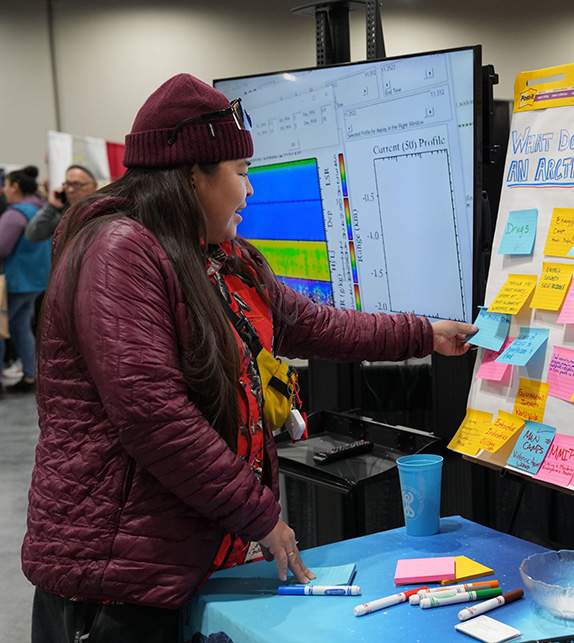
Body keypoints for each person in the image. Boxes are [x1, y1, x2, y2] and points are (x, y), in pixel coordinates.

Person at [22, 73, 477, 643]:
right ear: (192, 176)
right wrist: (259, 514)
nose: (250, 191)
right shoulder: (120, 251)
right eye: (241, 173)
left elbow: (315, 323)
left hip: (179, 560)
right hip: (116, 578)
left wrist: (424, 334)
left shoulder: (220, 257)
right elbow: (154, 417)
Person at [0, 166, 50, 396]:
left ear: (15, 187)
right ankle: (31, 375)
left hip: (15, 280)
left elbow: (1, 247)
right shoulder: (42, 208)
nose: (4, 190)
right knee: (20, 326)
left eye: (7, 185)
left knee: (2, 329)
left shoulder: (15, 214)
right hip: (36, 279)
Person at [25, 163, 98, 242]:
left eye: (77, 184)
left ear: (94, 185)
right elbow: (33, 234)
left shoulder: (102, 210)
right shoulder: (65, 213)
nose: (70, 190)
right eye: (68, 184)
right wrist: (51, 206)